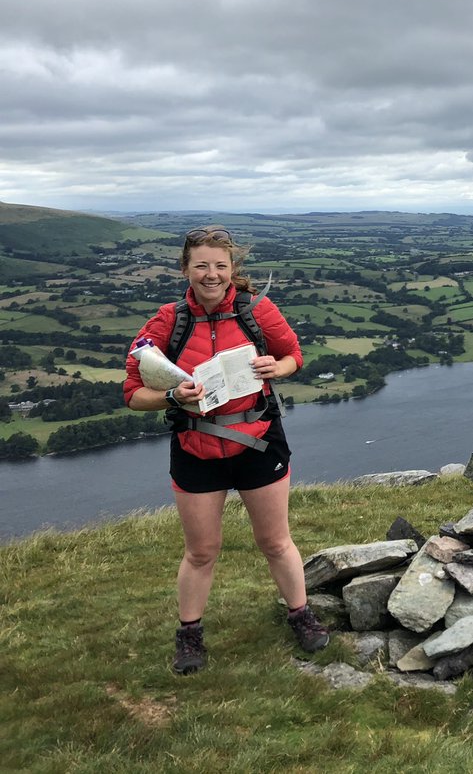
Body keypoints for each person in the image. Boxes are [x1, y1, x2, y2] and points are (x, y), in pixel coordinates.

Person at [124, 225, 328, 675]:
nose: (212, 274)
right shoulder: (168, 321)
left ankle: (300, 615)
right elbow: (134, 393)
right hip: (195, 446)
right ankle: (190, 635)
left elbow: (294, 355)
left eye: (220, 265)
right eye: (202, 265)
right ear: (186, 269)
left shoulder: (257, 310)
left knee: (275, 541)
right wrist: (174, 398)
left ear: (233, 269)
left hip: (257, 440)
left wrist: (279, 365)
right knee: (201, 551)